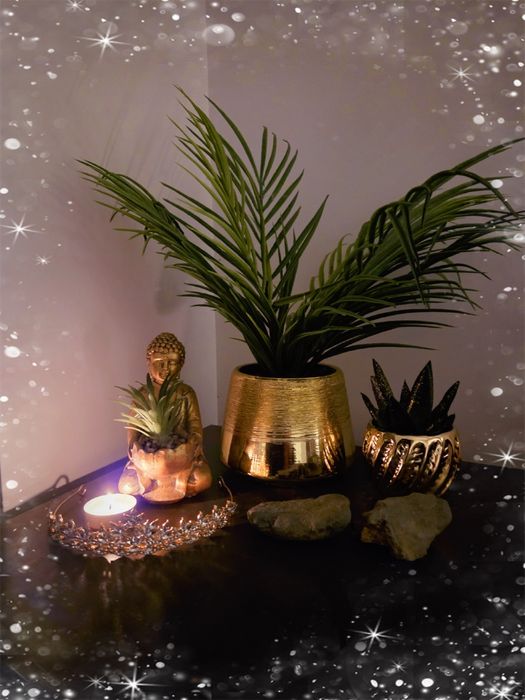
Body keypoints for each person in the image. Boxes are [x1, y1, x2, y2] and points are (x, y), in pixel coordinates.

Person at [118, 332, 212, 501]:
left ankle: (163, 485)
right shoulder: (143, 395)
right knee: (126, 486)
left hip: (181, 456)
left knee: (203, 479)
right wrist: (135, 448)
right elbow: (133, 428)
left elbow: (195, 424)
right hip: (149, 457)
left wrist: (191, 446)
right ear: (149, 363)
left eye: (172, 363)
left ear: (181, 364)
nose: (165, 368)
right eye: (159, 362)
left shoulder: (186, 393)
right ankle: (162, 484)